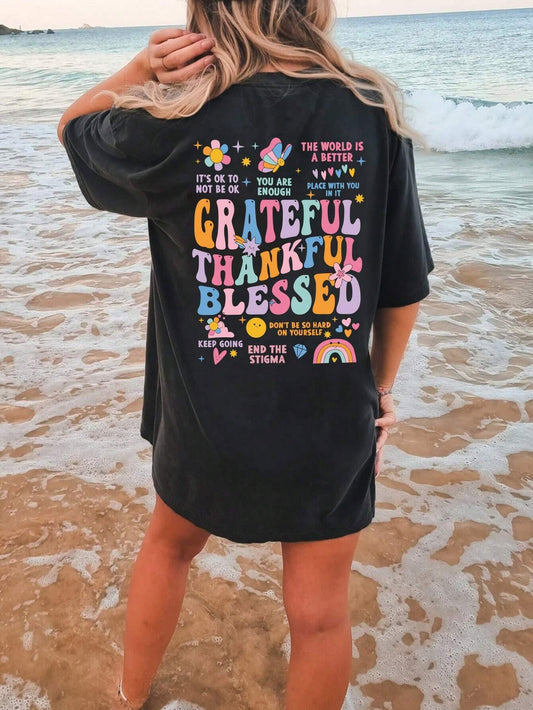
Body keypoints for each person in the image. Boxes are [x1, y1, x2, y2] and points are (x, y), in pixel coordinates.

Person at [57, 1, 434, 708]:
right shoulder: (370, 110)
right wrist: (379, 393)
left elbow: (73, 129)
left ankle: (125, 697)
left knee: (169, 548)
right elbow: (401, 286)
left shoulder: (173, 120)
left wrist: (143, 69)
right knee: (319, 614)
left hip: (205, 419)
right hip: (327, 420)